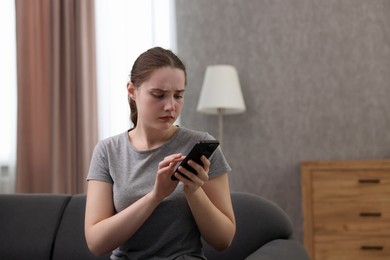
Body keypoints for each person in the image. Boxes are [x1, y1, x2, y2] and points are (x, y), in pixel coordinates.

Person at [85, 47, 236, 260]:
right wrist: (156, 196)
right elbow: (96, 243)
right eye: (159, 95)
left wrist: (193, 190)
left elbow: (223, 240)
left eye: (178, 96)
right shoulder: (108, 151)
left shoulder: (201, 145)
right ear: (132, 91)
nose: (170, 106)